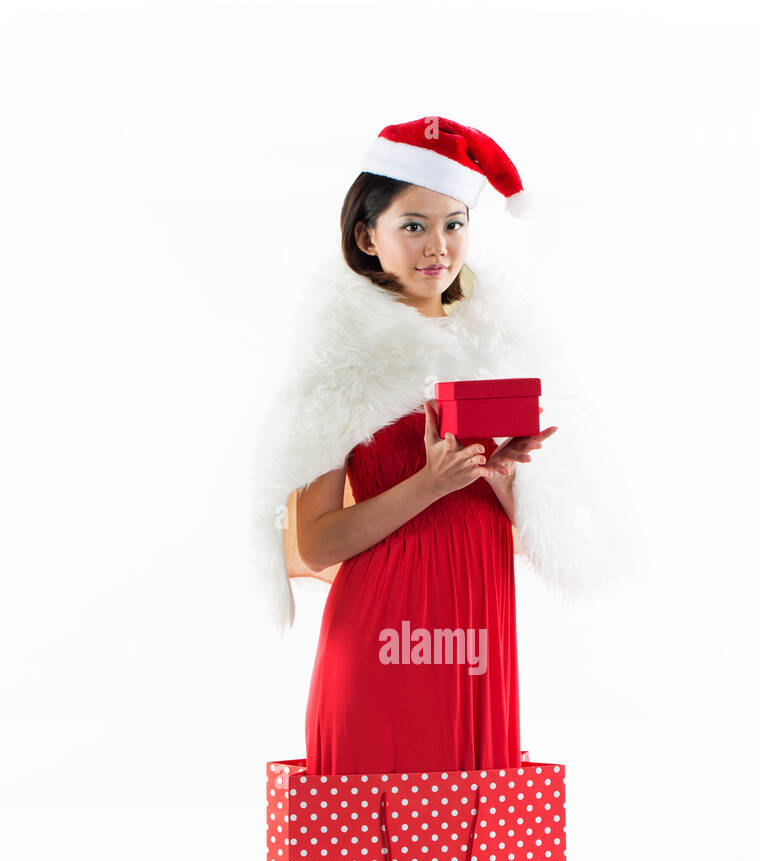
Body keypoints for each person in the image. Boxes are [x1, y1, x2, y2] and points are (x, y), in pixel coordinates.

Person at [251, 117, 609, 774]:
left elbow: (548, 533)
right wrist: (428, 483)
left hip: (479, 628)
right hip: (383, 628)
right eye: (413, 225)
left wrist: (499, 474)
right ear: (368, 235)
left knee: (477, 842)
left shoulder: (500, 352)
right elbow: (315, 542)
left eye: (454, 223)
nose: (437, 246)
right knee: (365, 843)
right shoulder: (340, 366)